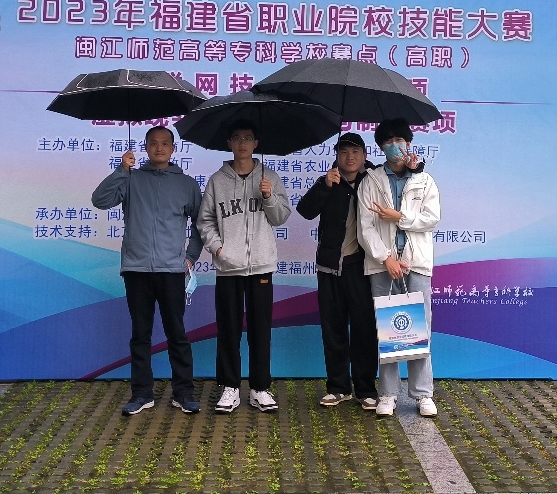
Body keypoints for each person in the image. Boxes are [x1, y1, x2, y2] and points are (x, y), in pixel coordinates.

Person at [91, 126, 203, 416]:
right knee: (140, 334)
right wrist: (121, 170)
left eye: (165, 143)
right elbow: (99, 200)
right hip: (136, 269)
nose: (159, 148)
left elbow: (201, 224)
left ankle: (183, 393)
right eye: (153, 143)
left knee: (176, 332)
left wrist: (190, 257)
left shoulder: (187, 184)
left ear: (173, 149)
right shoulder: (131, 179)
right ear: (146, 147)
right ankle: (142, 393)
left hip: (172, 270)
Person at [197, 120, 292, 413]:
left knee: (260, 330)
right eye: (237, 138)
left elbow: (281, 217)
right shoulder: (217, 180)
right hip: (229, 267)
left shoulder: (269, 177)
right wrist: (218, 249)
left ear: (256, 143)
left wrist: (268, 197)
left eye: (248, 138)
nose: (242, 143)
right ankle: (230, 387)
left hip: (261, 266)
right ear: (229, 143)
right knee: (228, 328)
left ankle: (260, 388)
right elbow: (205, 220)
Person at [357, 118, 441, 418]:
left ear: (409, 143)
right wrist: (386, 258)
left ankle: (423, 394)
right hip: (383, 265)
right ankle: (388, 394)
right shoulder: (371, 181)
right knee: (388, 329)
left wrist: (399, 217)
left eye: (400, 140)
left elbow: (431, 218)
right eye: (389, 141)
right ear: (381, 147)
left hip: (416, 263)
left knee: (419, 329)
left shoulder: (424, 180)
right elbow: (365, 228)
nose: (395, 146)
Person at [297, 132, 380, 410]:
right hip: (330, 266)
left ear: (365, 155)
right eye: (344, 152)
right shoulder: (329, 180)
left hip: (362, 267)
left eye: (355, 152)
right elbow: (305, 211)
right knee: (333, 329)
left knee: (364, 329)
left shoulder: (375, 181)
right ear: (337, 156)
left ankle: (366, 389)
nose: (350, 157)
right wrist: (324, 185)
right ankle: (338, 387)